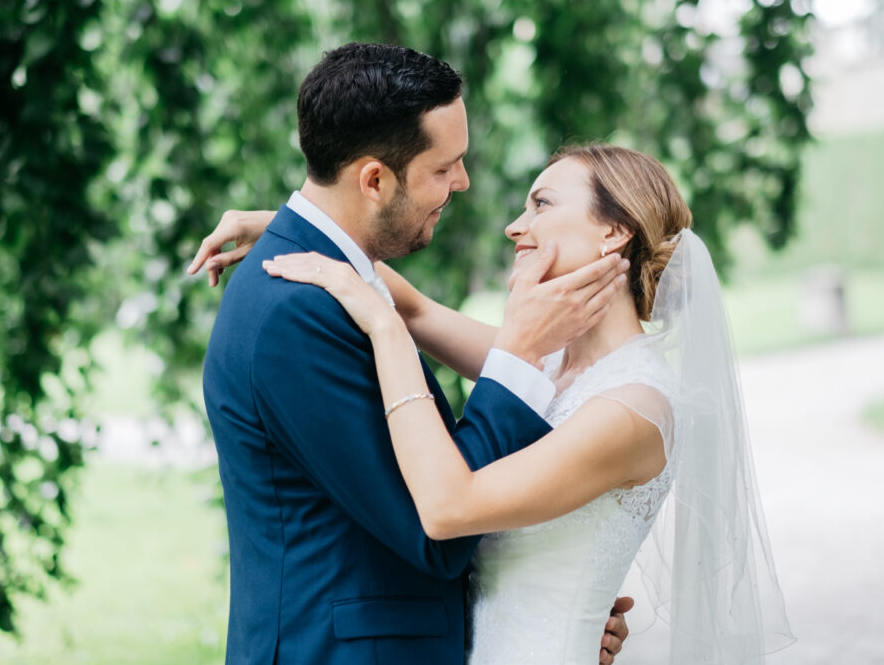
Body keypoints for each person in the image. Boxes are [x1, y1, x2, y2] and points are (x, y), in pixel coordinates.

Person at [201, 145, 795, 663]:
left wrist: (382, 328)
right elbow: (419, 309)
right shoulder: (549, 368)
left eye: (541, 205)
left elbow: (449, 506)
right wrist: (291, 224)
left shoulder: (634, 408)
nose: (515, 226)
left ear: (614, 232)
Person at [194, 43, 633, 665]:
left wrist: (560, 598)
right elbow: (437, 530)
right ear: (373, 180)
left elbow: (410, 310)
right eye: (444, 167)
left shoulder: (333, 276)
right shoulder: (296, 315)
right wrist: (520, 348)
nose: (463, 181)